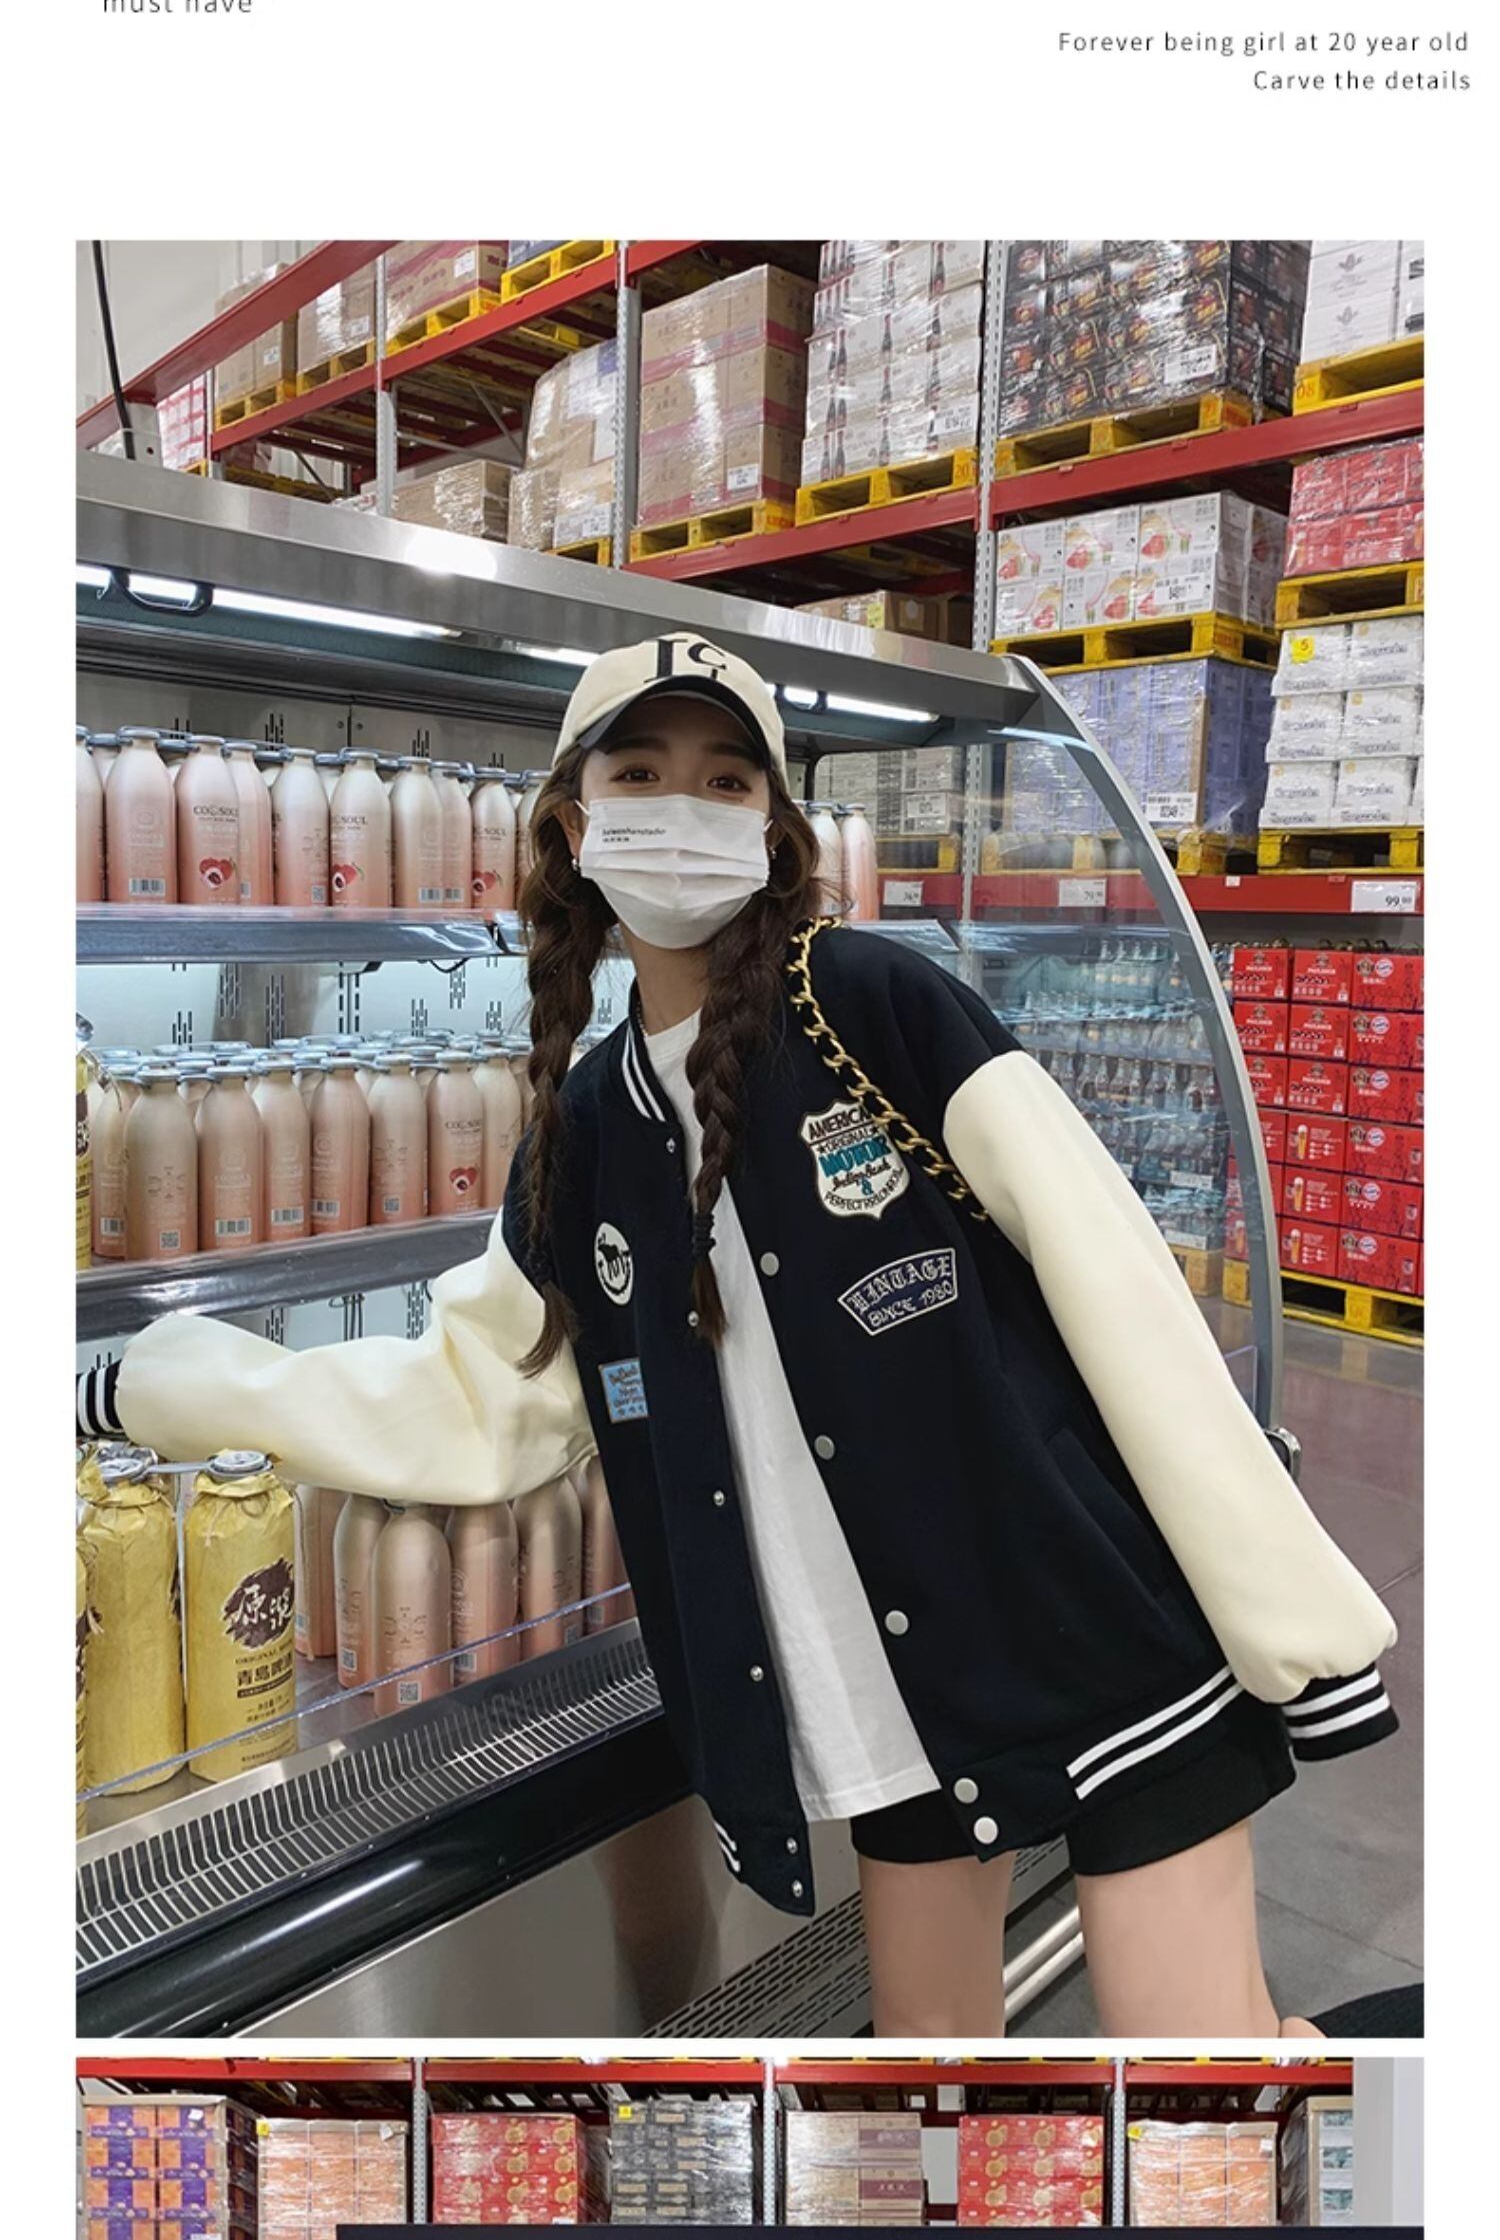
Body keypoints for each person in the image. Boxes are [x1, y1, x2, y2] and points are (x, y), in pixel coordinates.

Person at [81, 633, 1400, 2037]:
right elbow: (473, 1400)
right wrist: (149, 1384)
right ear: (574, 827)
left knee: (1195, 2081)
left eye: (725, 780)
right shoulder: (586, 1130)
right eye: (640, 774)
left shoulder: (878, 1008)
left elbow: (1119, 1287)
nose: (682, 809)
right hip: (898, 1710)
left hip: (1092, 1636)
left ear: (771, 826)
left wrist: (1297, 1628)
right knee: (931, 2092)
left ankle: (1353, 2129)